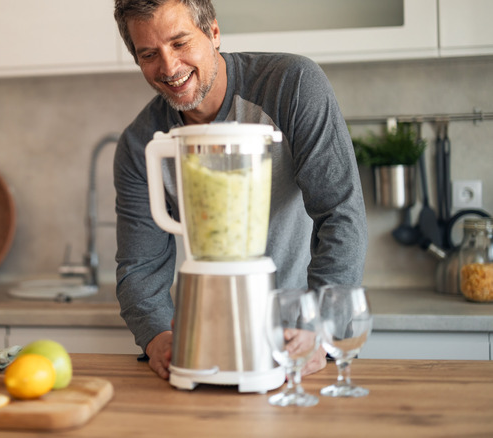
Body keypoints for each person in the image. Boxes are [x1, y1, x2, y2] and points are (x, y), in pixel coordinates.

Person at [112, 0, 368, 380]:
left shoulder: (292, 84)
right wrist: (159, 337)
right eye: (149, 54)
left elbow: (340, 213)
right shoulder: (140, 145)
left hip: (305, 342)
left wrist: (320, 330)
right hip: (208, 344)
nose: (168, 67)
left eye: (180, 43)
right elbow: (141, 265)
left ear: (213, 32)